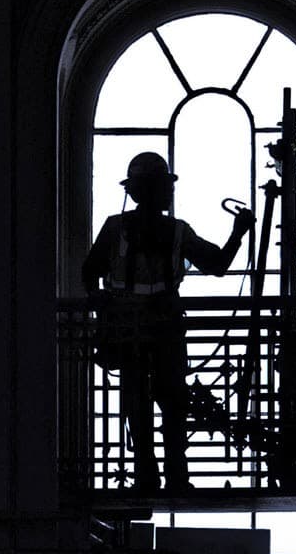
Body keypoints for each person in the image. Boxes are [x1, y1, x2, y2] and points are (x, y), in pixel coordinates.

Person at [82, 151, 253, 494]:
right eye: (164, 186)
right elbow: (216, 264)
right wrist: (239, 232)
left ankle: (152, 476)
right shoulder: (171, 232)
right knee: (167, 402)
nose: (169, 192)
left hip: (135, 330)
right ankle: (173, 476)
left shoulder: (121, 229)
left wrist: (101, 302)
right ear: (151, 190)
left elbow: (90, 273)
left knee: (148, 403)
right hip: (152, 330)